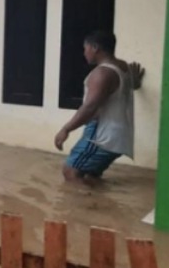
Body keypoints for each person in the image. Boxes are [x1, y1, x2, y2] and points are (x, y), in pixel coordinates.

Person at [54, 31, 144, 183]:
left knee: (70, 172)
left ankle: (83, 206)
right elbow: (128, 87)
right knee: (89, 175)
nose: (84, 53)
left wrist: (66, 129)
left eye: (85, 48)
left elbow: (90, 107)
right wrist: (135, 82)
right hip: (119, 135)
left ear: (95, 47)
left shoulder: (102, 73)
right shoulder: (123, 67)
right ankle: (98, 204)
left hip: (102, 136)